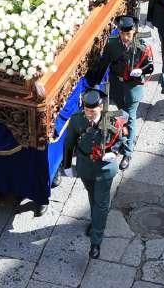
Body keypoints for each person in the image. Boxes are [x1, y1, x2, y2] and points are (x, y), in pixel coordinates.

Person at [61, 89, 126, 259]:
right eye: (87, 110)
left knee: (102, 203)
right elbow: (69, 143)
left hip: (104, 168)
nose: (89, 114)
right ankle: (96, 220)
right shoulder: (77, 120)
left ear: (101, 107)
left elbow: (122, 139)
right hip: (85, 167)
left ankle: (96, 241)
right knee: (92, 196)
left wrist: (115, 152)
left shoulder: (110, 119)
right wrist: (67, 165)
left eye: (93, 111)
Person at [86, 16, 153, 171]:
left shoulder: (142, 45)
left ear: (134, 31)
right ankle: (120, 139)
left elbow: (149, 67)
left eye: (128, 34)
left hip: (132, 89)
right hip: (117, 86)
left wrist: (140, 72)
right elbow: (105, 64)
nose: (125, 37)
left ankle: (127, 153)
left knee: (129, 117)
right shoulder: (113, 44)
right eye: (123, 33)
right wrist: (94, 83)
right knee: (120, 114)